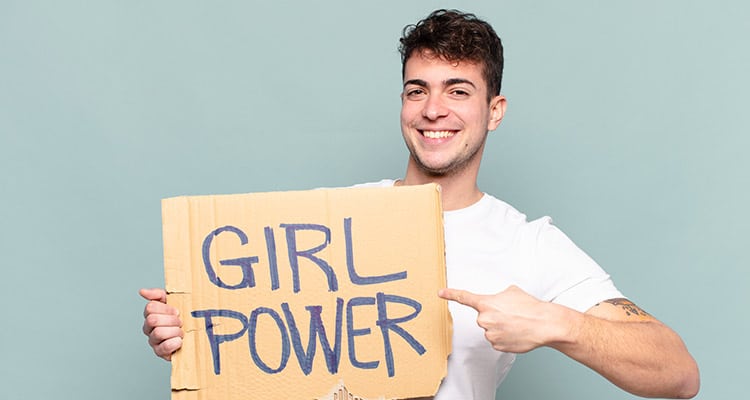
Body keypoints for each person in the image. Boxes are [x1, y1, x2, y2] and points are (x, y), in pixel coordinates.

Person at [141, 9, 699, 399]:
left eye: (458, 90)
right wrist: (187, 330)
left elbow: (678, 374)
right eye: (417, 89)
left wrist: (559, 324)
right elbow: (254, 345)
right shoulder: (324, 220)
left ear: (495, 110)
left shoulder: (528, 244)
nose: (434, 109)